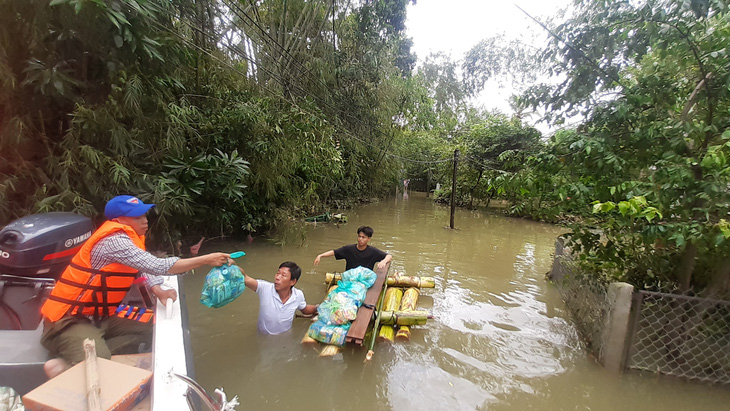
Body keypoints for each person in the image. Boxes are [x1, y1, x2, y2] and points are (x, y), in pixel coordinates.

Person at [40, 195, 232, 377]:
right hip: (68, 321)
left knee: (153, 327)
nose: (145, 221)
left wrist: (159, 290)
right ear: (119, 220)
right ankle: (66, 364)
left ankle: (86, 349)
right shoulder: (114, 241)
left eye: (144, 215)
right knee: (99, 363)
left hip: (100, 316)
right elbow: (158, 265)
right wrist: (207, 259)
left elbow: (142, 269)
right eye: (137, 217)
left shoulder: (130, 240)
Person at [241, 261, 318, 335]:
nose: (277, 277)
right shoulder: (265, 288)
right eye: (278, 273)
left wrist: (317, 308)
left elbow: (305, 309)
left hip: (285, 336)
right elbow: (245, 278)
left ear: (293, 282)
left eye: (283, 275)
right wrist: (232, 265)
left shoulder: (298, 295)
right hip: (263, 337)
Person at [313, 226, 392, 271]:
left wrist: (384, 261)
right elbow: (334, 252)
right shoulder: (349, 249)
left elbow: (389, 256)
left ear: (369, 239)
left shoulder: (373, 251)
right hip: (350, 279)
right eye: (359, 236)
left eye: (363, 237)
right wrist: (320, 255)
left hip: (364, 280)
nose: (360, 239)